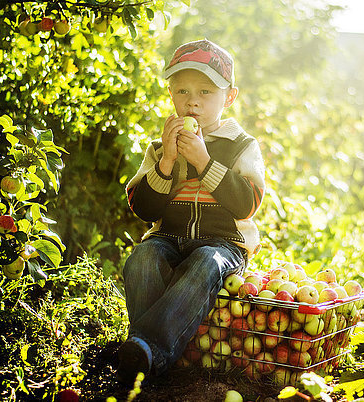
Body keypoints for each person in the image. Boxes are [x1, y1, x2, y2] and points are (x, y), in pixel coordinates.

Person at [116, 38, 266, 385]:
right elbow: (142, 207)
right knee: (142, 257)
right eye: (182, 91)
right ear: (170, 93)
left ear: (229, 97)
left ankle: (146, 350)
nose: (193, 101)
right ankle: (147, 353)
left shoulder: (241, 145)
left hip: (223, 243)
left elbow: (247, 202)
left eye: (205, 92)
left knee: (205, 262)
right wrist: (167, 160)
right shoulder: (160, 147)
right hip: (168, 236)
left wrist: (204, 161)